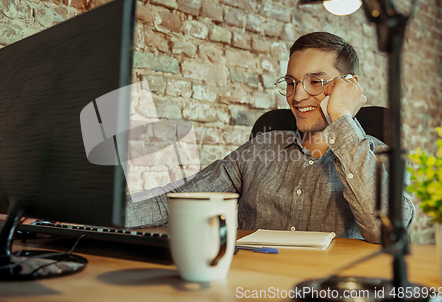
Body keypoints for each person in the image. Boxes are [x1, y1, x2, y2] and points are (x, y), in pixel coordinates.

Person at [126, 32, 415, 244]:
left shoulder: (379, 157)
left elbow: (384, 231)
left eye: (315, 82)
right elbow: (178, 200)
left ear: (346, 87)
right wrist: (99, 211)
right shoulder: (260, 148)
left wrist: (342, 118)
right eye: (291, 83)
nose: (297, 96)